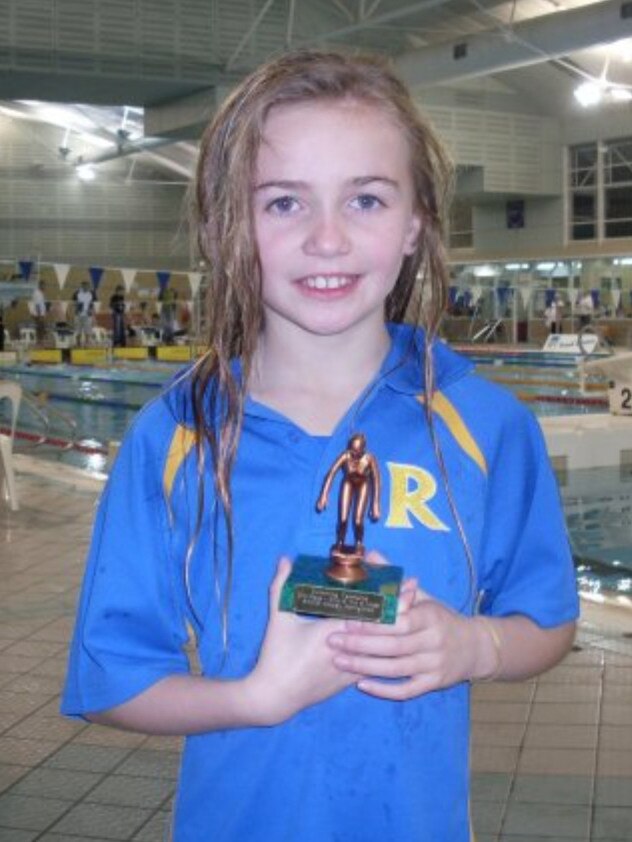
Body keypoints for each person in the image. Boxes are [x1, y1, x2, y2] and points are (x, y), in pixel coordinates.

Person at [61, 50, 579, 842]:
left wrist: (474, 645)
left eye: (366, 199)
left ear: (416, 224)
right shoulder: (178, 436)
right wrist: (255, 699)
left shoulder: (487, 427)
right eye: (283, 203)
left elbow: (546, 620)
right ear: (224, 225)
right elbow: (110, 680)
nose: (327, 239)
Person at [72, 280, 96, 347]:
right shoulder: (77, 293)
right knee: (78, 330)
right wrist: (74, 310)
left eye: (87, 286)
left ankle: (87, 343)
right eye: (84, 286)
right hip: (78, 314)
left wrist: (93, 314)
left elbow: (94, 305)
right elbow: (73, 303)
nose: (86, 287)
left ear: (89, 286)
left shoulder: (92, 293)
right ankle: (78, 343)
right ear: (81, 286)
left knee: (87, 330)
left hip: (88, 315)